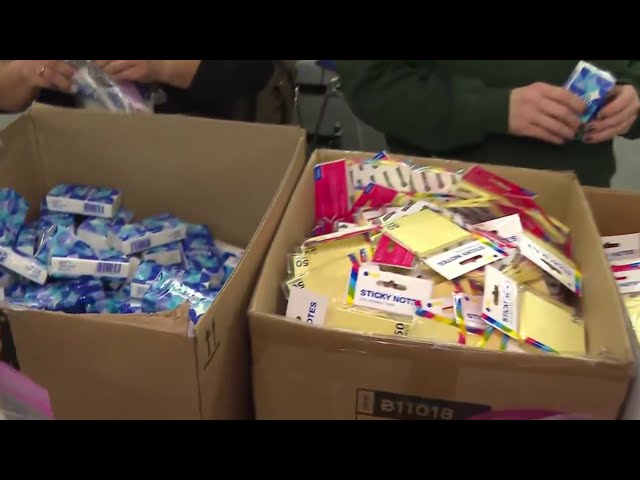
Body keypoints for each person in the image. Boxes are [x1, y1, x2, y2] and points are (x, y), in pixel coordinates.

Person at [336, 60, 640, 187]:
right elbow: (372, 84)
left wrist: (633, 99)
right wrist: (495, 109)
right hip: (446, 202)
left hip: (579, 201)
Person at [0, 60, 280, 122]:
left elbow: (253, 70)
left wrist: (165, 67)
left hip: (194, 149)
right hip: (72, 163)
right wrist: (26, 71)